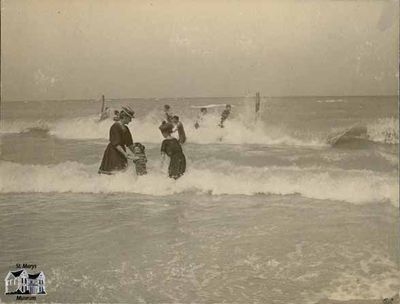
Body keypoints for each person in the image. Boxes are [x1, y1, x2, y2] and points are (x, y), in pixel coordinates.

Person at [98, 106, 136, 174]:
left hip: (121, 152)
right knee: (114, 172)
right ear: (125, 117)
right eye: (130, 118)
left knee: (122, 171)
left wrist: (137, 154)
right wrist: (125, 154)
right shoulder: (115, 127)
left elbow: (129, 144)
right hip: (113, 152)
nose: (130, 120)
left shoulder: (126, 128)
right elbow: (116, 144)